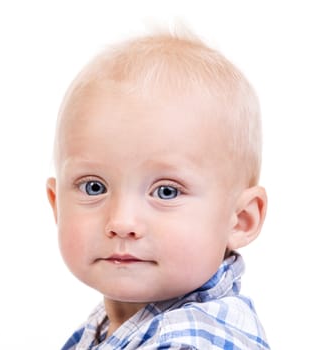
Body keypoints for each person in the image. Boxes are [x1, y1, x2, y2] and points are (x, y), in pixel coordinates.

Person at [46, 27, 269, 349]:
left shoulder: (192, 341)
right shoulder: (116, 323)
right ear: (56, 205)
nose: (121, 222)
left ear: (241, 219)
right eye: (94, 187)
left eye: (167, 191)